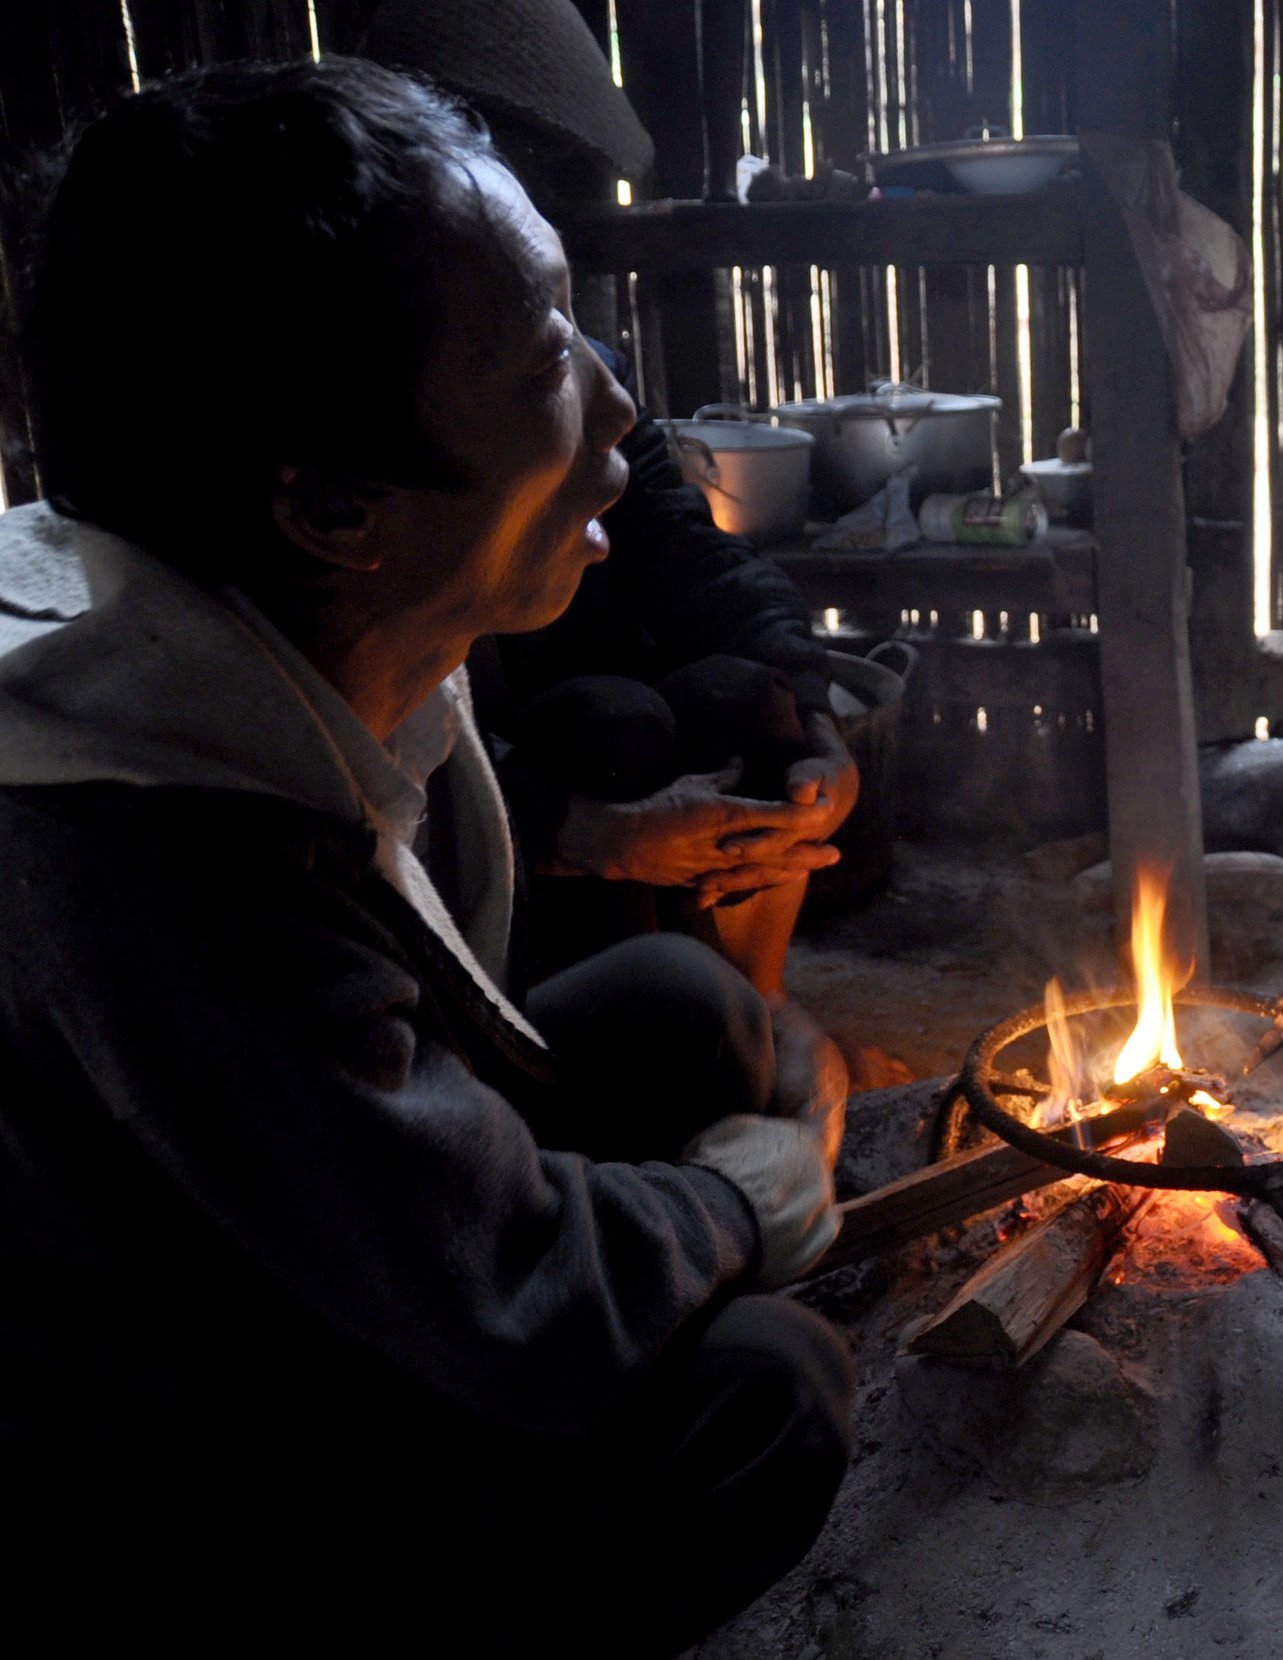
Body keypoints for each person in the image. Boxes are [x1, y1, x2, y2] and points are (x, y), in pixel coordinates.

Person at [0, 61, 850, 1652]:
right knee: (766, 1397)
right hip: (147, 1453)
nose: (613, 399)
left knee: (680, 1004)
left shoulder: (288, 610)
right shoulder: (150, 849)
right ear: (332, 502)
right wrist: (728, 1210)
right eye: (541, 357)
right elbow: (511, 1301)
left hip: (270, 1221)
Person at [359, 0, 861, 1005]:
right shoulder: (362, 417)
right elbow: (397, 740)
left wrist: (812, 713)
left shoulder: (587, 378)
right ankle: (581, 1013)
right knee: (613, 721)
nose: (612, 403)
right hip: (500, 781)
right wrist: (580, 831)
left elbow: (688, 550)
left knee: (740, 688)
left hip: (581, 731)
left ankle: (754, 1012)